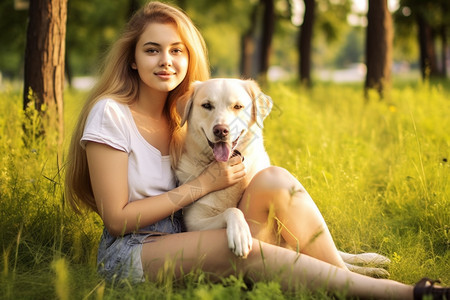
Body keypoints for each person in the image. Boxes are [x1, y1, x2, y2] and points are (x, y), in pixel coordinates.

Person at [65, 2, 449, 299]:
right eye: (152, 50)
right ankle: (405, 294)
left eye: (176, 51)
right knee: (244, 252)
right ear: (132, 58)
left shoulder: (188, 112)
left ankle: (340, 272)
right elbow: (116, 219)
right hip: (135, 252)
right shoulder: (111, 114)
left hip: (189, 234)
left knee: (275, 179)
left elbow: (241, 146)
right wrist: (203, 185)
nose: (166, 61)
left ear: (188, 57)